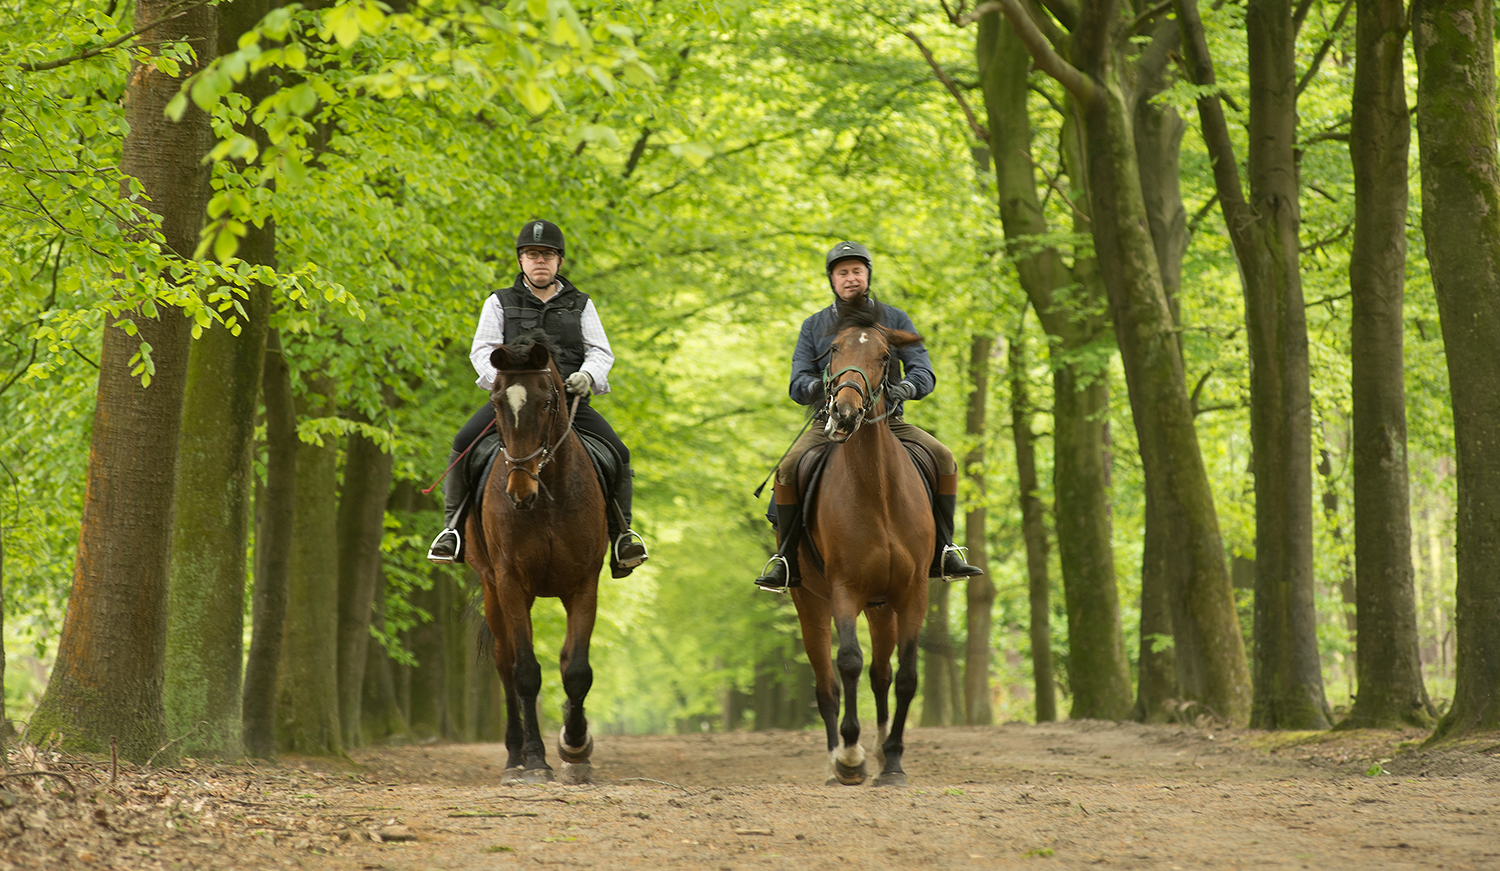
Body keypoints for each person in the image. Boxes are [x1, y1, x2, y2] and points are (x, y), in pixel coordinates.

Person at [755, 240, 982, 591]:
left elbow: (923, 371)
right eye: (842, 273)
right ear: (832, 279)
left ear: (868, 275)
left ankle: (946, 547)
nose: (850, 279)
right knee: (787, 469)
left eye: (857, 271)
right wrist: (831, 387)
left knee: (944, 458)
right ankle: (785, 558)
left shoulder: (894, 319)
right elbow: (798, 383)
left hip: (887, 421)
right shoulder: (814, 326)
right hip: (829, 423)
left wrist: (905, 389)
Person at [428, 219, 649, 577]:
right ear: (521, 262)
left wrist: (587, 376)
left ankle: (622, 535)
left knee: (619, 452)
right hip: (514, 405)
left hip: (569, 404)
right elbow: (481, 350)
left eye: (546, 255)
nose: (539, 261)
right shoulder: (499, 302)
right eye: (532, 255)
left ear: (559, 261)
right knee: (462, 442)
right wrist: (501, 385)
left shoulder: (581, 304)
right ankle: (452, 530)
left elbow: (600, 351)